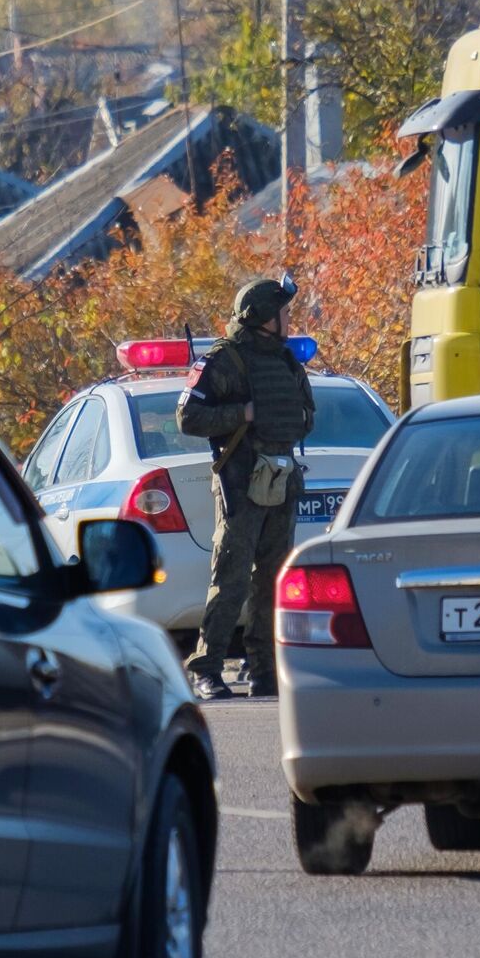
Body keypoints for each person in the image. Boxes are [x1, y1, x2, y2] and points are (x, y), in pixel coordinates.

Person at [177, 276, 316, 700]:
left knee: (273, 582)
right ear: (263, 318)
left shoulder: (286, 360)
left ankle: (265, 672)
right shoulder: (224, 360)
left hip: (282, 480)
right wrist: (245, 413)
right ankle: (208, 669)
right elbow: (189, 417)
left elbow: (306, 416)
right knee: (231, 580)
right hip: (239, 485)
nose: (289, 319)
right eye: (284, 313)